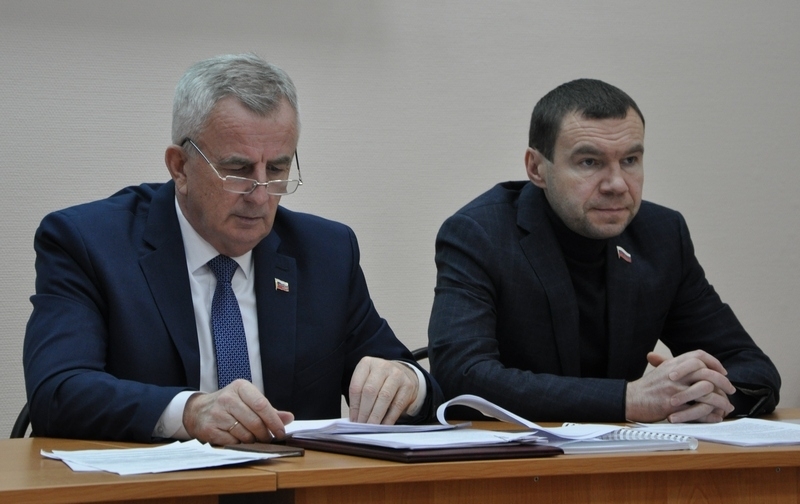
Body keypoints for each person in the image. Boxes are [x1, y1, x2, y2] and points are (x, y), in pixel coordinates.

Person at [24, 53, 441, 444]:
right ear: (180, 167)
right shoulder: (89, 244)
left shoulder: (326, 253)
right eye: (238, 169)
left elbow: (416, 387)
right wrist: (189, 412)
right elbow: (57, 392)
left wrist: (407, 384)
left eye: (276, 168)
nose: (260, 195)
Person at [428, 78, 780, 424]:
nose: (616, 184)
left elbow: (751, 367)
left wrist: (705, 395)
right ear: (537, 168)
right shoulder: (480, 234)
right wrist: (628, 400)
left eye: (630, 160)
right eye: (589, 162)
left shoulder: (661, 235)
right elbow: (462, 374)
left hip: (628, 454)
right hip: (515, 454)